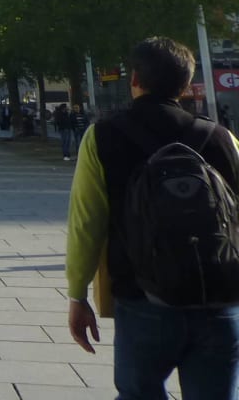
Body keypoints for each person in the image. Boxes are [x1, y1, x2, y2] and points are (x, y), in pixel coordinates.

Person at [66, 36, 239, 399]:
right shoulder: (222, 138)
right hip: (218, 297)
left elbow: (86, 223)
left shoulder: (102, 137)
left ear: (134, 79)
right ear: (186, 84)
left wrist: (78, 295)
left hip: (143, 297)